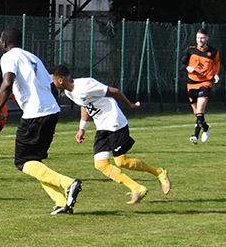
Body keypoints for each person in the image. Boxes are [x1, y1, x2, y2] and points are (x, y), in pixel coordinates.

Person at [50, 65, 171, 204]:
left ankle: (160, 173)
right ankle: (137, 188)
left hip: (115, 123)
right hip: (102, 126)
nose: (51, 84)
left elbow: (114, 91)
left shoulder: (85, 85)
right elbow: (84, 104)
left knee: (122, 161)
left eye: (52, 80)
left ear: (60, 80)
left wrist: (130, 106)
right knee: (101, 164)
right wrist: (82, 128)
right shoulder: (70, 92)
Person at [0, 28, 82, 215]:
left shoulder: (8, 57)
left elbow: (7, 83)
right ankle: (61, 203)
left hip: (35, 113)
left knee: (22, 162)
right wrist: (51, 119)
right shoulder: (33, 58)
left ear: (4, 44)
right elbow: (52, 87)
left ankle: (69, 183)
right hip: (49, 110)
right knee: (35, 162)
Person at [180, 28, 220, 145]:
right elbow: (181, 65)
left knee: (201, 109)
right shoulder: (190, 50)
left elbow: (217, 63)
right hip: (192, 83)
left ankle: (195, 135)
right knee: (196, 112)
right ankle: (206, 127)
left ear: (207, 38)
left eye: (202, 38)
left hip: (205, 83)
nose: (200, 40)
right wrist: (187, 68)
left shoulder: (213, 52)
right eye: (198, 38)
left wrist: (216, 74)